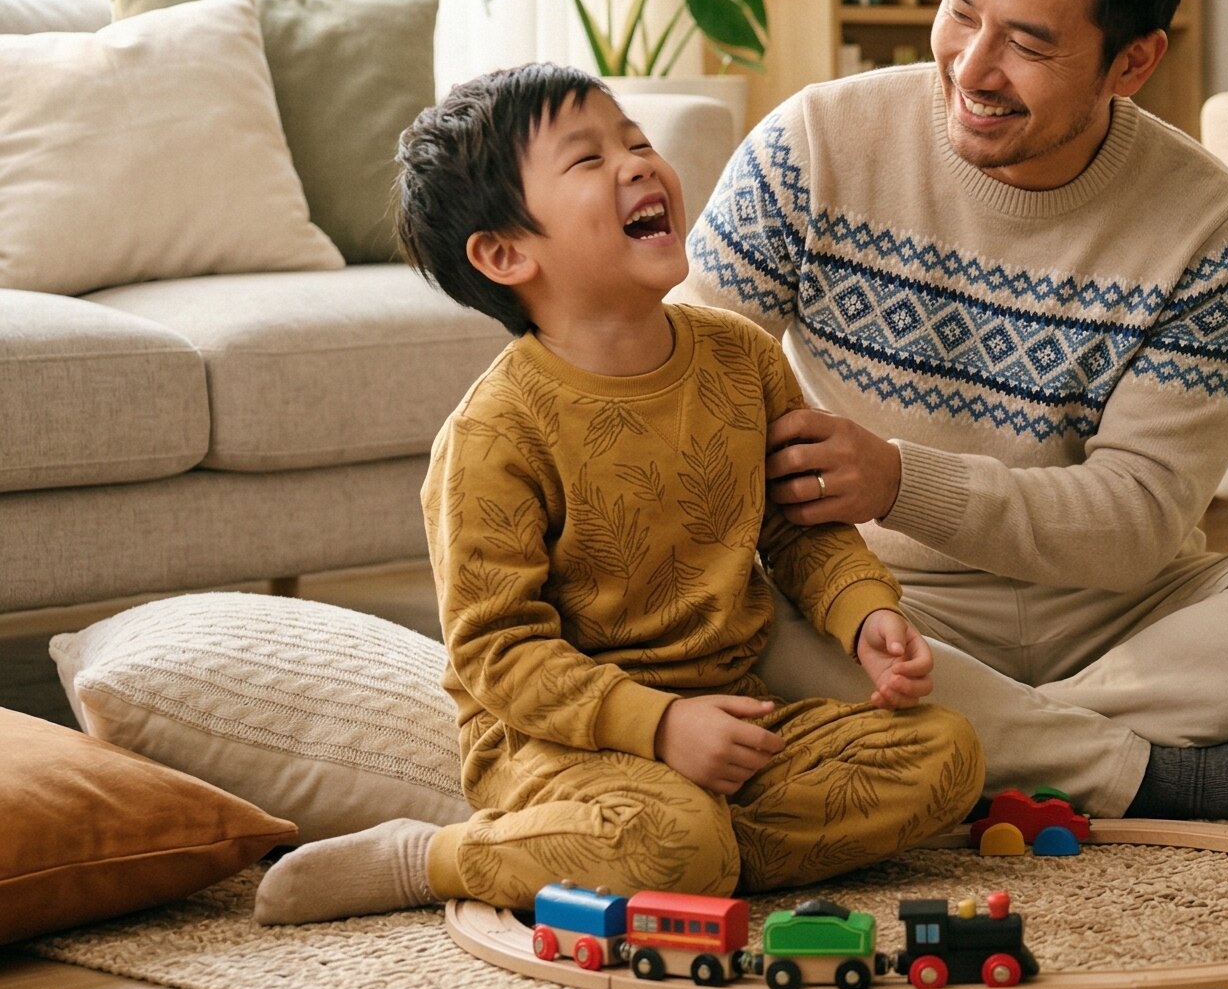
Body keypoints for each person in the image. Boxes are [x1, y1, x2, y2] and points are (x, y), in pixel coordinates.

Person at [679, 0, 1228, 820]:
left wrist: (899, 477)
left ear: (1135, 61)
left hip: (1122, 615)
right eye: (959, 12)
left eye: (1028, 43)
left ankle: (975, 749)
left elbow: (1135, 524)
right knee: (723, 603)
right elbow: (677, 389)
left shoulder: (1213, 227)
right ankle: (1155, 776)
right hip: (878, 613)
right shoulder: (810, 147)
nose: (972, 68)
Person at [255, 66, 982, 924]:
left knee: (947, 755)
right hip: (557, 744)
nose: (638, 163)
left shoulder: (743, 358)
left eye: (635, 139)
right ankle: (441, 856)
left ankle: (678, 858)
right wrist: (660, 727)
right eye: (588, 158)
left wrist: (865, 614)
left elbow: (800, 529)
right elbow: (499, 655)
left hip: (727, 724)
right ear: (504, 253)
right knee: (676, 839)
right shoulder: (494, 435)